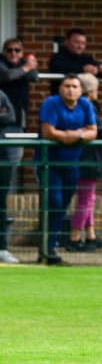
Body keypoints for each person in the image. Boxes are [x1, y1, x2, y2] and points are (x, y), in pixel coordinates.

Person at [37, 74, 97, 264]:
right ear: (60, 89)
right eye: (67, 86)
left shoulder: (85, 105)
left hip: (72, 163)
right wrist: (66, 137)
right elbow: (48, 131)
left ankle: (51, 245)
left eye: (74, 86)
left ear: (80, 90)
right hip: (49, 162)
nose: (71, 90)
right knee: (54, 201)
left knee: (63, 204)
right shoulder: (51, 103)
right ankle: (47, 246)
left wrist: (78, 135)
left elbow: (93, 131)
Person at [65, 73, 102, 253]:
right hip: (88, 159)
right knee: (85, 200)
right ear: (92, 90)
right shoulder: (88, 106)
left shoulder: (76, 106)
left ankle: (91, 234)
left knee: (88, 199)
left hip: (79, 157)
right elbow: (101, 135)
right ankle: (75, 237)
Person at [1, 37, 40, 195]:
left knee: (12, 164)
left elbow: (34, 76)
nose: (13, 53)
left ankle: (4, 203)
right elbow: (6, 76)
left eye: (17, 50)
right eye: (9, 50)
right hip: (1, 122)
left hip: (16, 123)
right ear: (4, 52)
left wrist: (27, 67)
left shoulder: (24, 63)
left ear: (22, 52)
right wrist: (25, 68)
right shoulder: (1, 63)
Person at [47, 28, 102, 94]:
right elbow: (58, 69)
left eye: (83, 43)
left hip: (82, 98)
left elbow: (101, 75)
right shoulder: (57, 57)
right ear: (66, 42)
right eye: (77, 42)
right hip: (61, 97)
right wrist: (82, 69)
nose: (80, 46)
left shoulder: (87, 58)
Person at [0, 88, 17, 263]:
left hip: (1, 156)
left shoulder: (1, 94)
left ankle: (1, 248)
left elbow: (10, 117)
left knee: (1, 202)